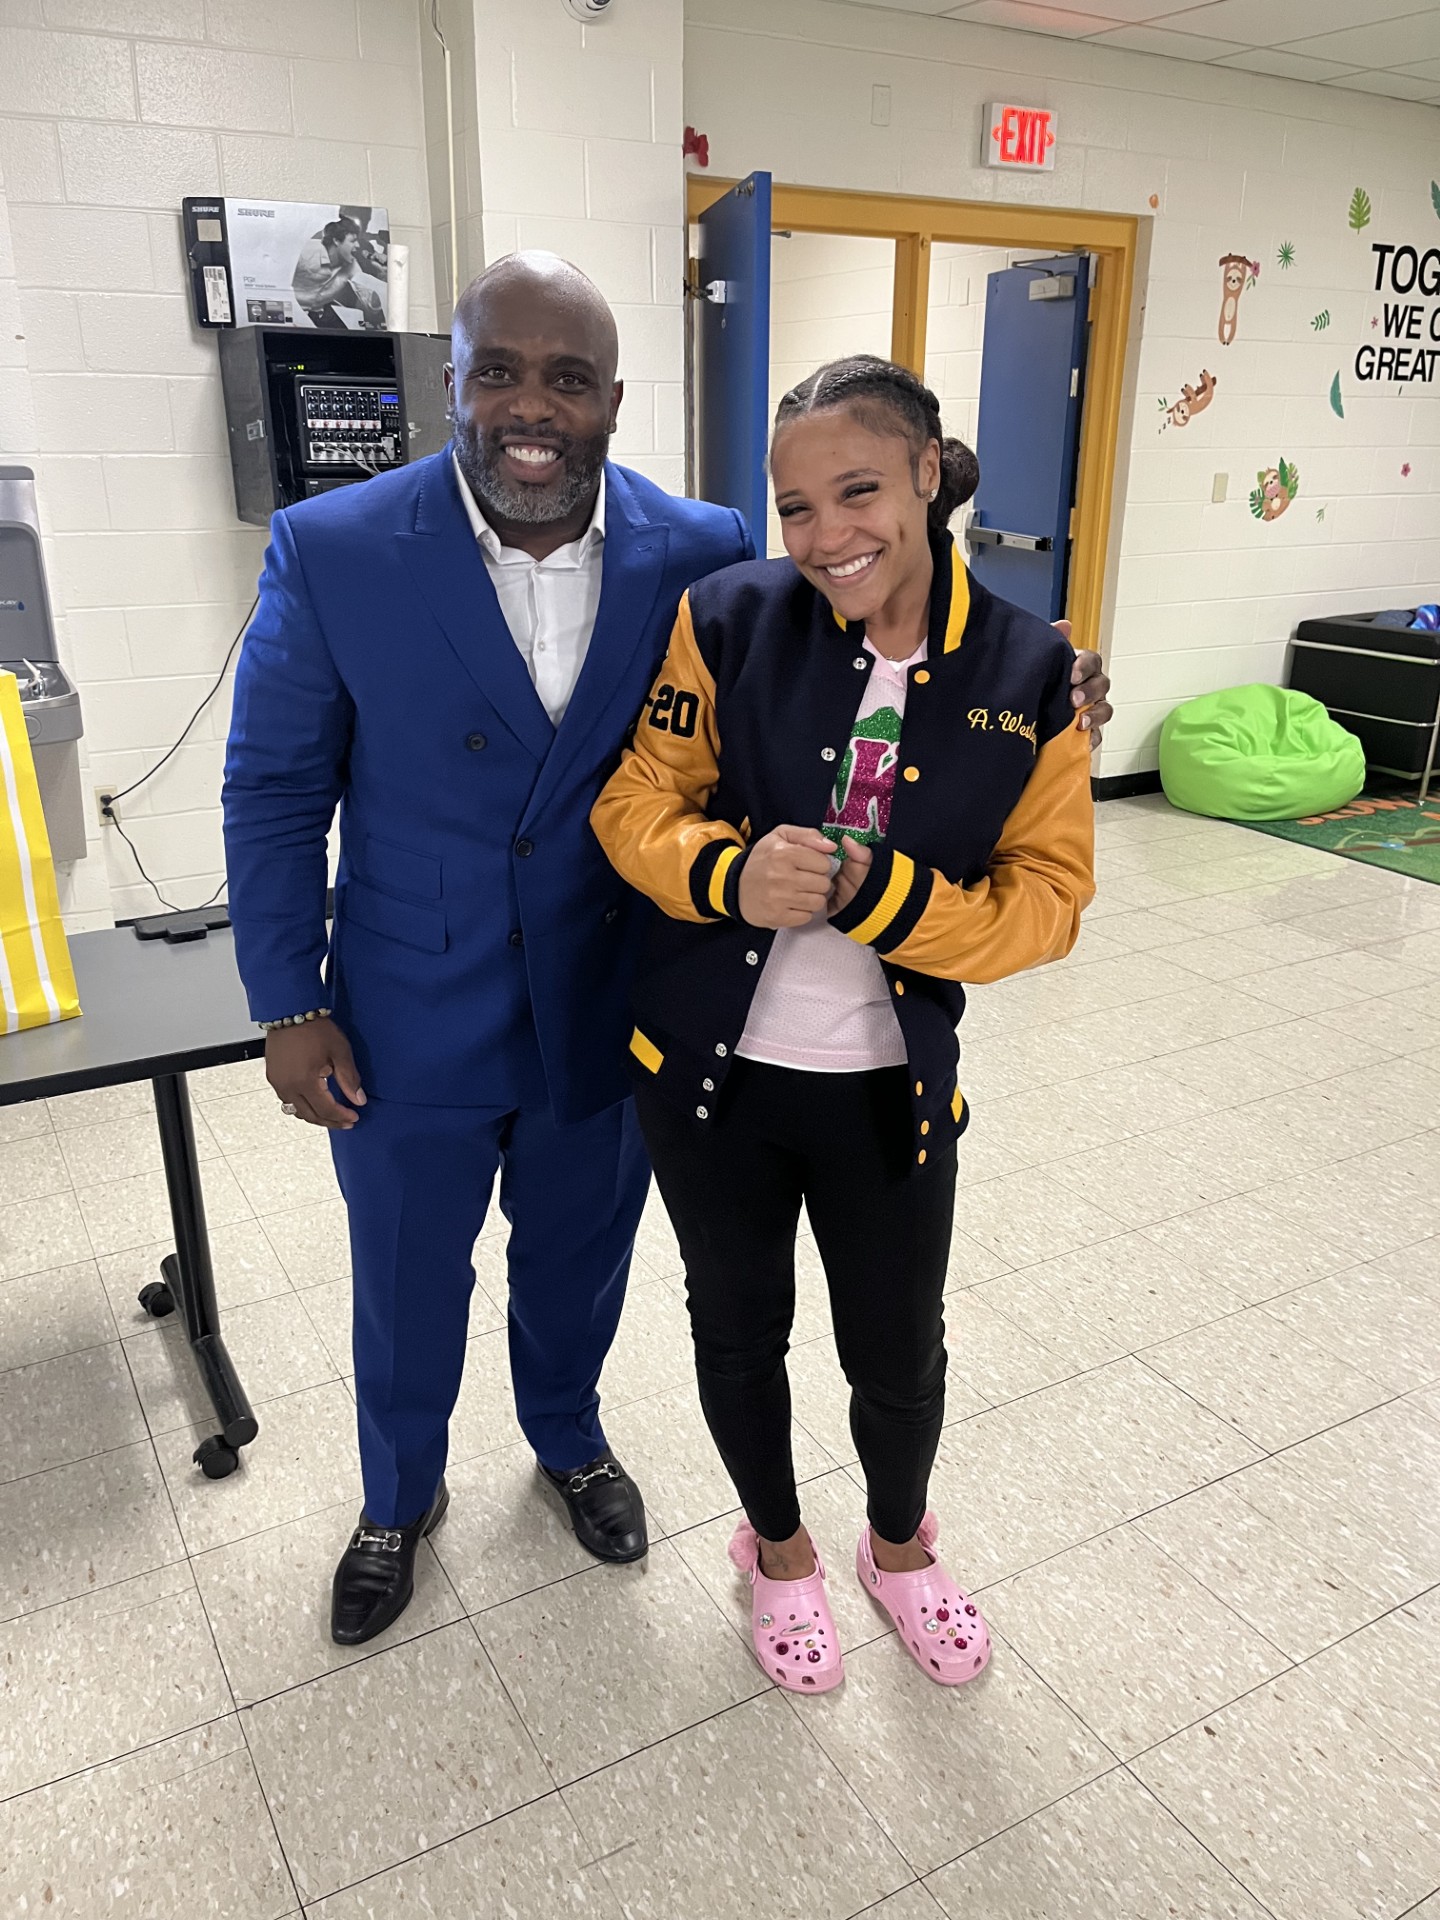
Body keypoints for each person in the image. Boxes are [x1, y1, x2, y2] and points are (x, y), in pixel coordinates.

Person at [223, 257, 1114, 1650]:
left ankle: (569, 1441)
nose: (533, 406)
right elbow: (275, 789)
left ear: (614, 399)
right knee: (403, 1273)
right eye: (499, 371)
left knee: (581, 1260)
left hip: (616, 993)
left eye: (568, 379)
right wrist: (287, 1001)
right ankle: (396, 1496)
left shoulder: (700, 549)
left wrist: (1046, 672)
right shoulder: (332, 545)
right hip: (406, 1008)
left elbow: (864, 611)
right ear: (451, 382)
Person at [591, 355, 1095, 1693]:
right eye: (796, 507)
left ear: (928, 473)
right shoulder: (729, 618)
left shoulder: (1034, 670)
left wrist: (893, 902)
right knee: (735, 1329)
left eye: (859, 492)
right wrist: (723, 873)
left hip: (889, 1091)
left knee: (898, 1349)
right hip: (710, 1083)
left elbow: (1048, 903)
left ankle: (900, 1547)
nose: (826, 538)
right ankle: (777, 1550)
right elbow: (634, 803)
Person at [292, 217, 383, 330]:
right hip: (292, 314)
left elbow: (369, 298)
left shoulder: (351, 265)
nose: (357, 246)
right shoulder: (306, 252)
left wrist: (382, 282)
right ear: (336, 241)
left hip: (319, 314)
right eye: (352, 241)